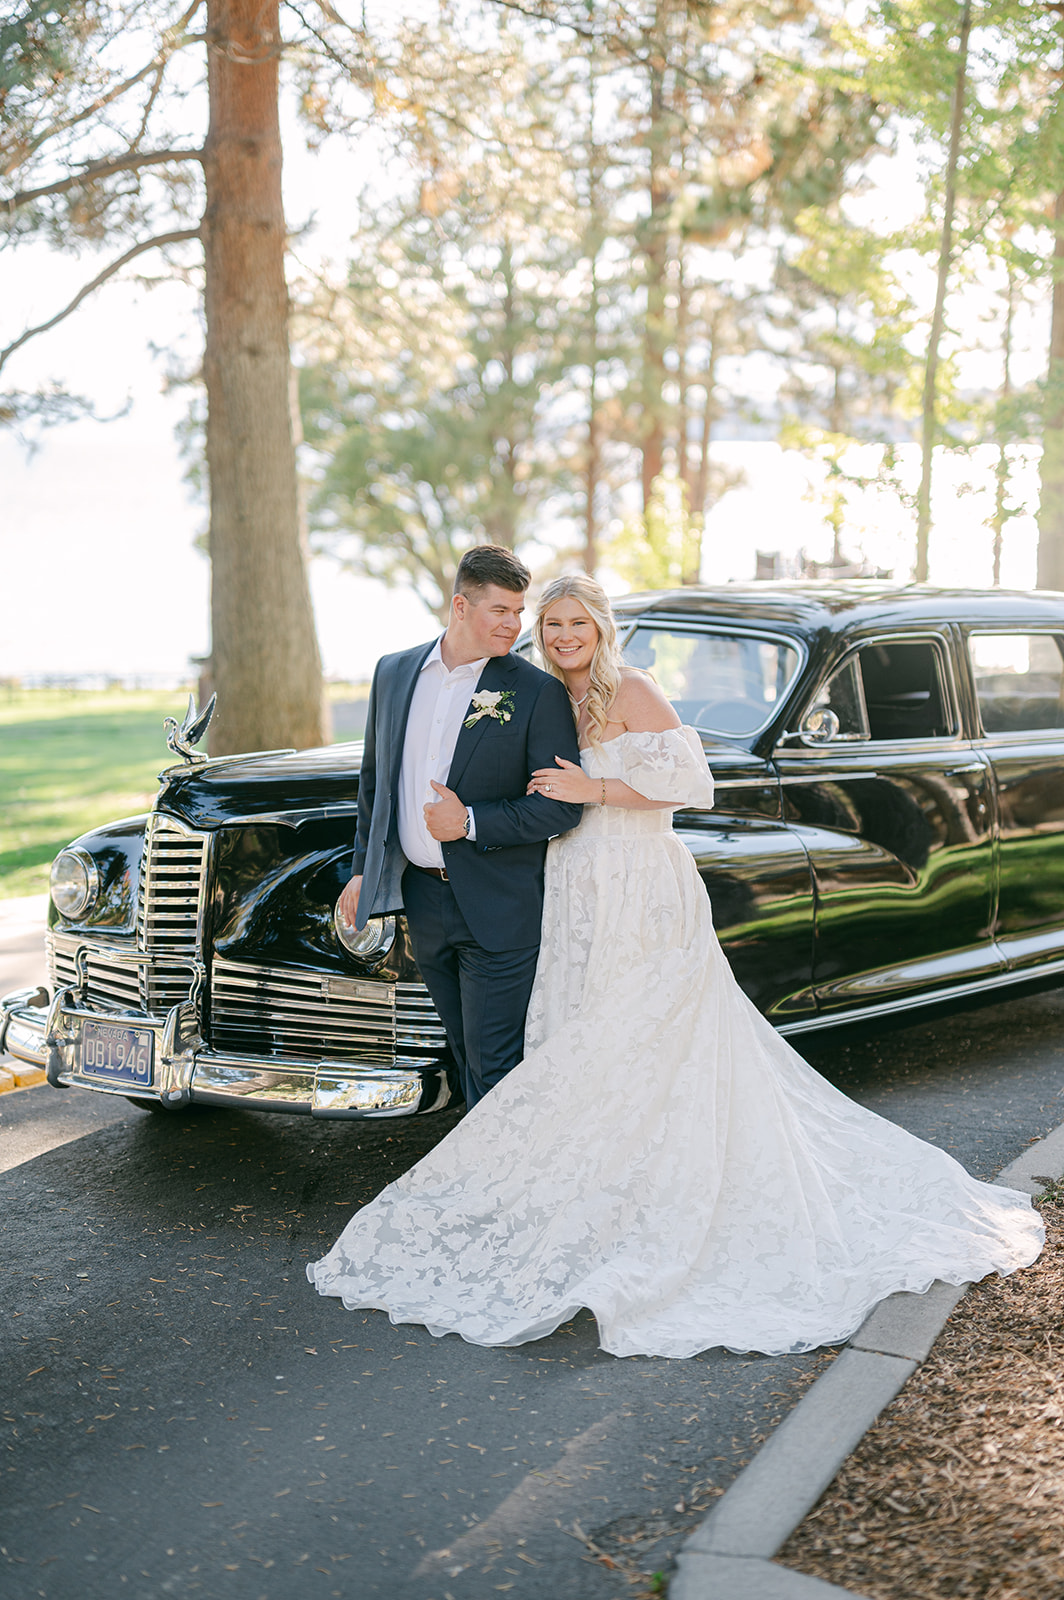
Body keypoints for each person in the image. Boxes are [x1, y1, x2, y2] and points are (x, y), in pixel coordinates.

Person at [310, 575, 1043, 1359]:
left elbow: (692, 783)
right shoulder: (531, 691)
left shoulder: (636, 688)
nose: (559, 635)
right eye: (547, 623)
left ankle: (648, 1206)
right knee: (575, 1044)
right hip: (569, 886)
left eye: (574, 622)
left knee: (648, 1036)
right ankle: (577, 1199)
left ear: (600, 626)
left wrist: (591, 785)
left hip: (639, 881)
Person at [337, 545, 583, 1109]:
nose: (514, 625)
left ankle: (497, 1193)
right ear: (460, 606)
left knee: (496, 1066)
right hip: (425, 901)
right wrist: (362, 872)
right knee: (463, 1052)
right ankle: (486, 1179)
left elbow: (561, 807)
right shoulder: (394, 673)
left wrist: (469, 821)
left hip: (501, 905)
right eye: (500, 610)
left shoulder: (536, 691)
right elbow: (375, 785)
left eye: (519, 612)